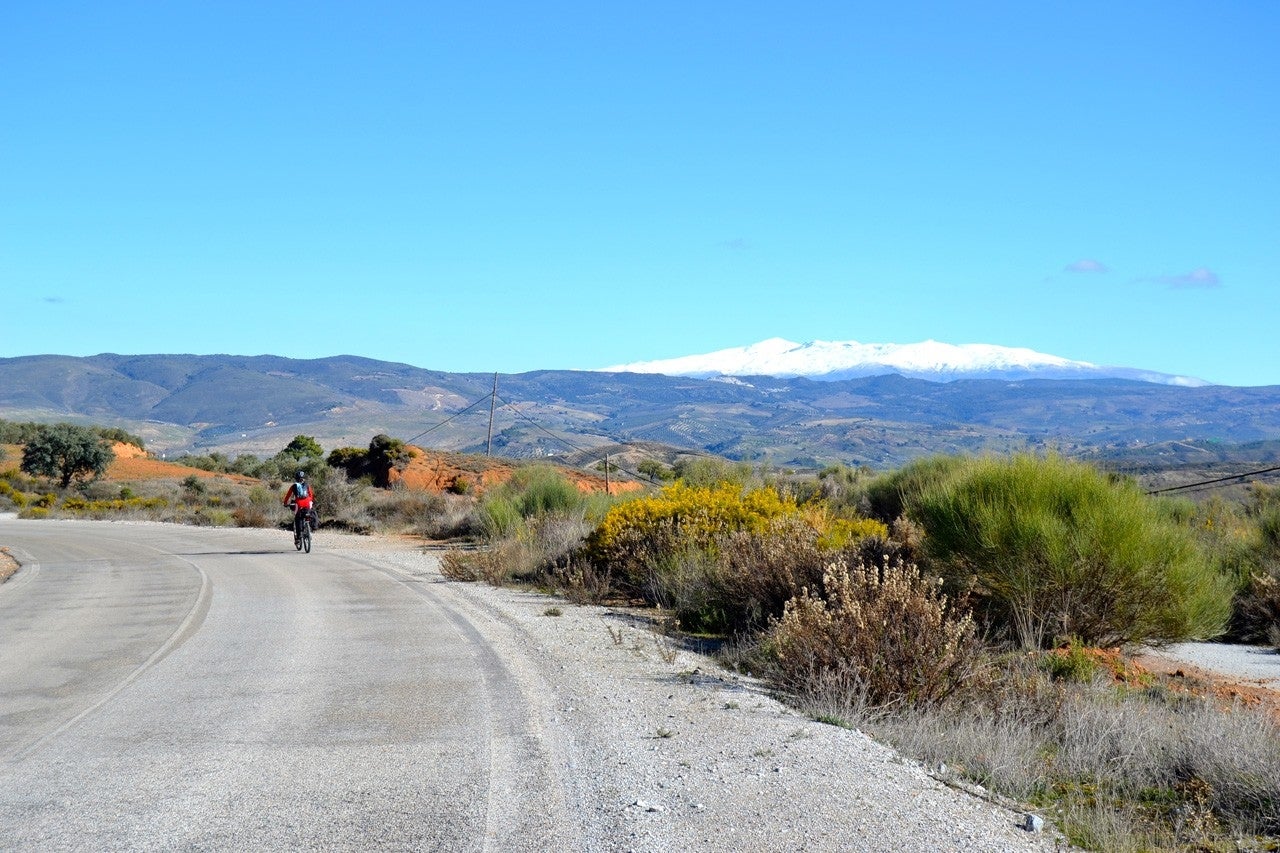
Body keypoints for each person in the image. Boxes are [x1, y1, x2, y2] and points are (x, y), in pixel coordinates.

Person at [282, 471, 317, 541]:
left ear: (296, 478)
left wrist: (285, 503)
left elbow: (288, 496)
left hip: (299, 504)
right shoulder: (307, 485)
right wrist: (309, 500)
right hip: (307, 503)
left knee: (298, 519)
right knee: (308, 515)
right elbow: (311, 495)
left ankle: (299, 536)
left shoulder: (294, 486)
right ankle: (309, 530)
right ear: (303, 478)